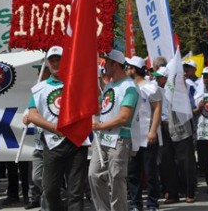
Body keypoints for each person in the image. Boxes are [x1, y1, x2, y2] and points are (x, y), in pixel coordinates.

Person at [27, 46, 88, 211]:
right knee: (50, 190)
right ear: (47, 63)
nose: (55, 63)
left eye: (58, 60)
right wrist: (54, 128)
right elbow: (32, 115)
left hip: (77, 144)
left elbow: (92, 105)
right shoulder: (39, 89)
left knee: (75, 193)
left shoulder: (77, 82)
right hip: (52, 145)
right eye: (52, 60)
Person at [89, 49, 139, 211]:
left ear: (115, 64)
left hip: (119, 138)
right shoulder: (109, 85)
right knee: (94, 175)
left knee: (117, 179)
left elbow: (124, 117)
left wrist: (100, 126)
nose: (103, 66)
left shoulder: (129, 87)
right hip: (103, 138)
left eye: (106, 63)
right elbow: (102, 109)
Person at [155, 66, 196, 204]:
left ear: (167, 78)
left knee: (186, 161)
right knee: (166, 163)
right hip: (163, 128)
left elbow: (191, 105)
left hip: (180, 128)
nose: (156, 79)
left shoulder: (181, 90)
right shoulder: (156, 90)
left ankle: (189, 192)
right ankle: (172, 193)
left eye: (159, 77)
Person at [125, 56, 162, 211]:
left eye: (128, 67)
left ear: (135, 69)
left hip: (147, 136)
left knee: (150, 172)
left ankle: (152, 203)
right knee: (133, 173)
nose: (126, 70)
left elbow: (157, 109)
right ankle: (135, 203)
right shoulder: (127, 87)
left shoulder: (151, 87)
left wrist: (152, 131)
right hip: (131, 137)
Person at [193, 66, 208, 194]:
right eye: (204, 77)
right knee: (204, 160)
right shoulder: (198, 94)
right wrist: (199, 107)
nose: (206, 79)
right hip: (202, 132)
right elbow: (192, 112)